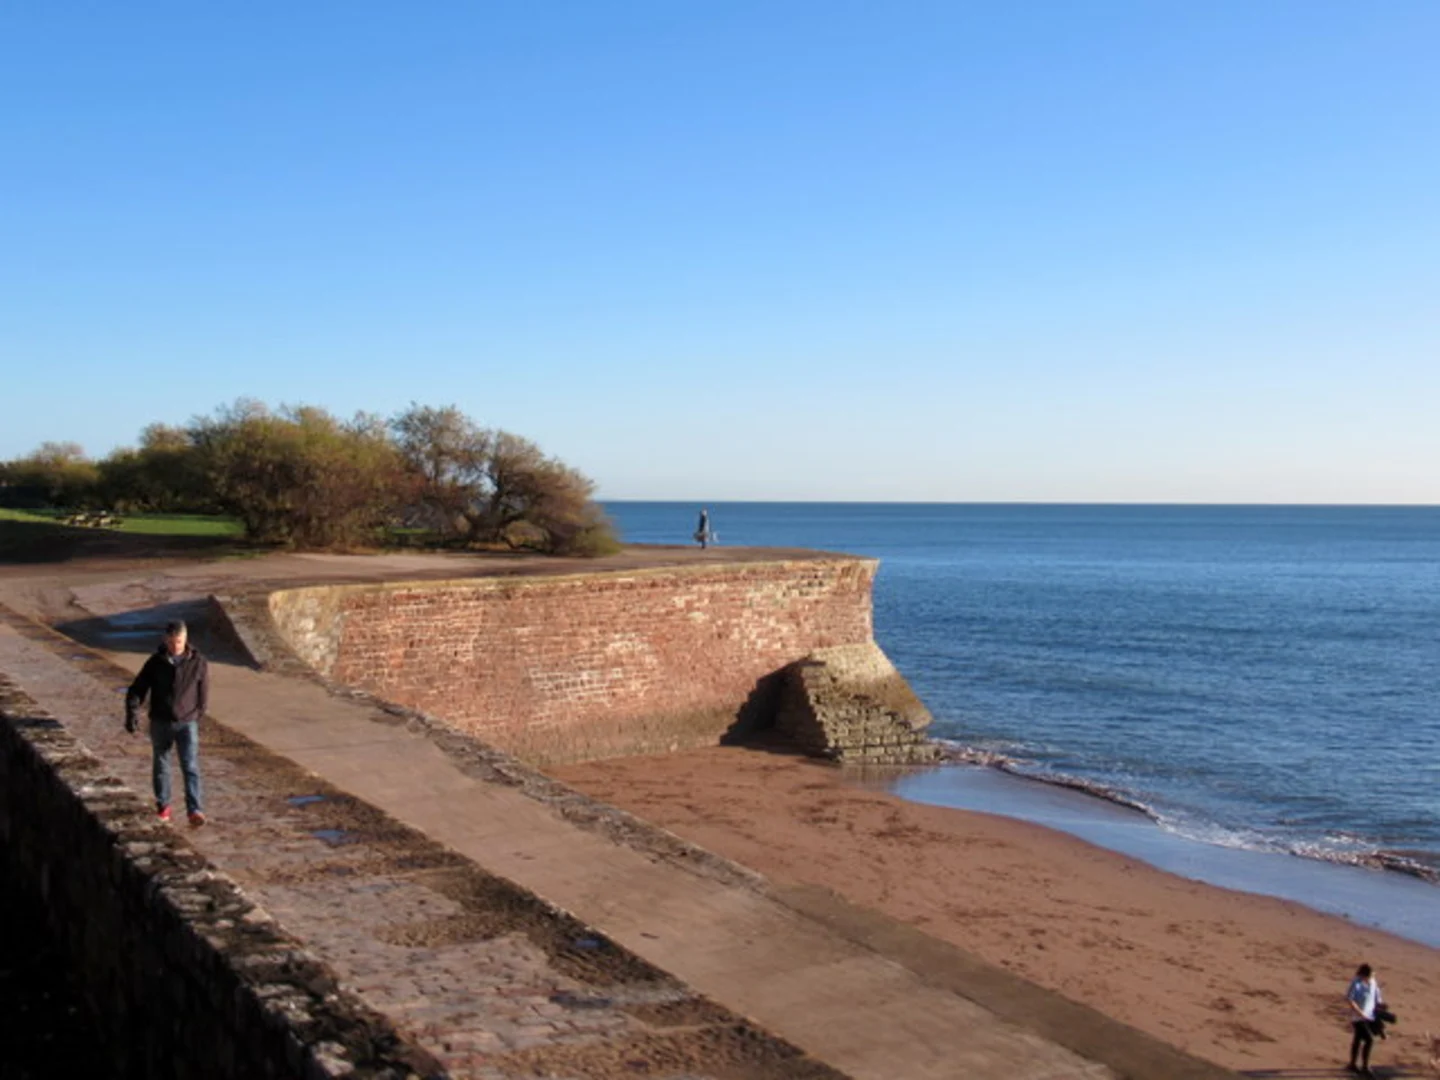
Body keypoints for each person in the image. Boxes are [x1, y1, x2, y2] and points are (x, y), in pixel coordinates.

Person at [125, 619, 208, 827]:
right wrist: (132, 712)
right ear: (165, 640)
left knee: (190, 765)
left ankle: (194, 810)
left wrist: (196, 715)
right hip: (161, 721)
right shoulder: (155, 662)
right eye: (171, 642)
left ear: (185, 639)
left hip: (187, 722)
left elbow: (203, 695)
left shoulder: (198, 662)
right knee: (161, 764)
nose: (175, 646)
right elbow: (137, 688)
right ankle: (163, 805)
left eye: (178, 642)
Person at [1345, 963, 1383, 1076]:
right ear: (1362, 974)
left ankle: (1352, 1064)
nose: (1371, 977)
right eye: (1369, 975)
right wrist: (1360, 1013)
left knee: (1357, 1039)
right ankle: (1365, 1067)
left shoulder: (1372, 981)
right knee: (1369, 1039)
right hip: (1358, 1017)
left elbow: (1376, 995)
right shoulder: (1356, 983)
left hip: (1370, 1015)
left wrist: (1380, 1006)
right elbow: (1350, 1000)